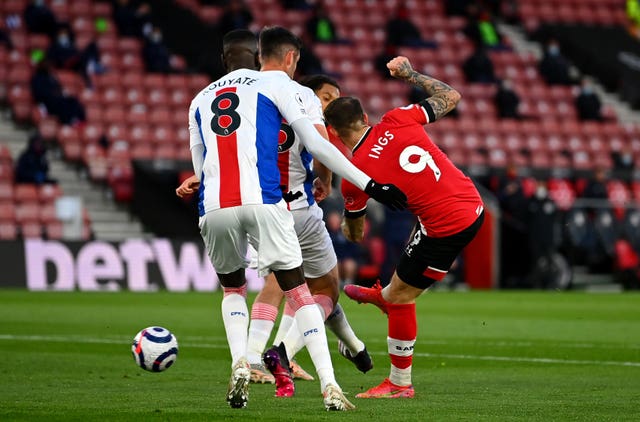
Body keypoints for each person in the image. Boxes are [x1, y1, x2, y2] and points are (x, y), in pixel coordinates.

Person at [186, 27, 406, 410]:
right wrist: (369, 184)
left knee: (233, 289)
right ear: (263, 56)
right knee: (304, 293)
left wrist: (197, 181)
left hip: (215, 205)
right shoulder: (277, 86)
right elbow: (320, 145)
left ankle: (243, 359)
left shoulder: (199, 99)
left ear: (226, 59)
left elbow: (201, 166)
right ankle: (329, 386)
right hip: (273, 202)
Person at [323, 55, 484, 399]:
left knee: (401, 297)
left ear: (334, 133)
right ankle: (384, 296)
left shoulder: (355, 177)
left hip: (445, 225)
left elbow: (356, 235)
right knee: (406, 277)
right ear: (365, 118)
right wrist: (410, 74)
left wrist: (347, 224)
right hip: (472, 203)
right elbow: (451, 96)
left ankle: (399, 383)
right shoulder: (397, 118)